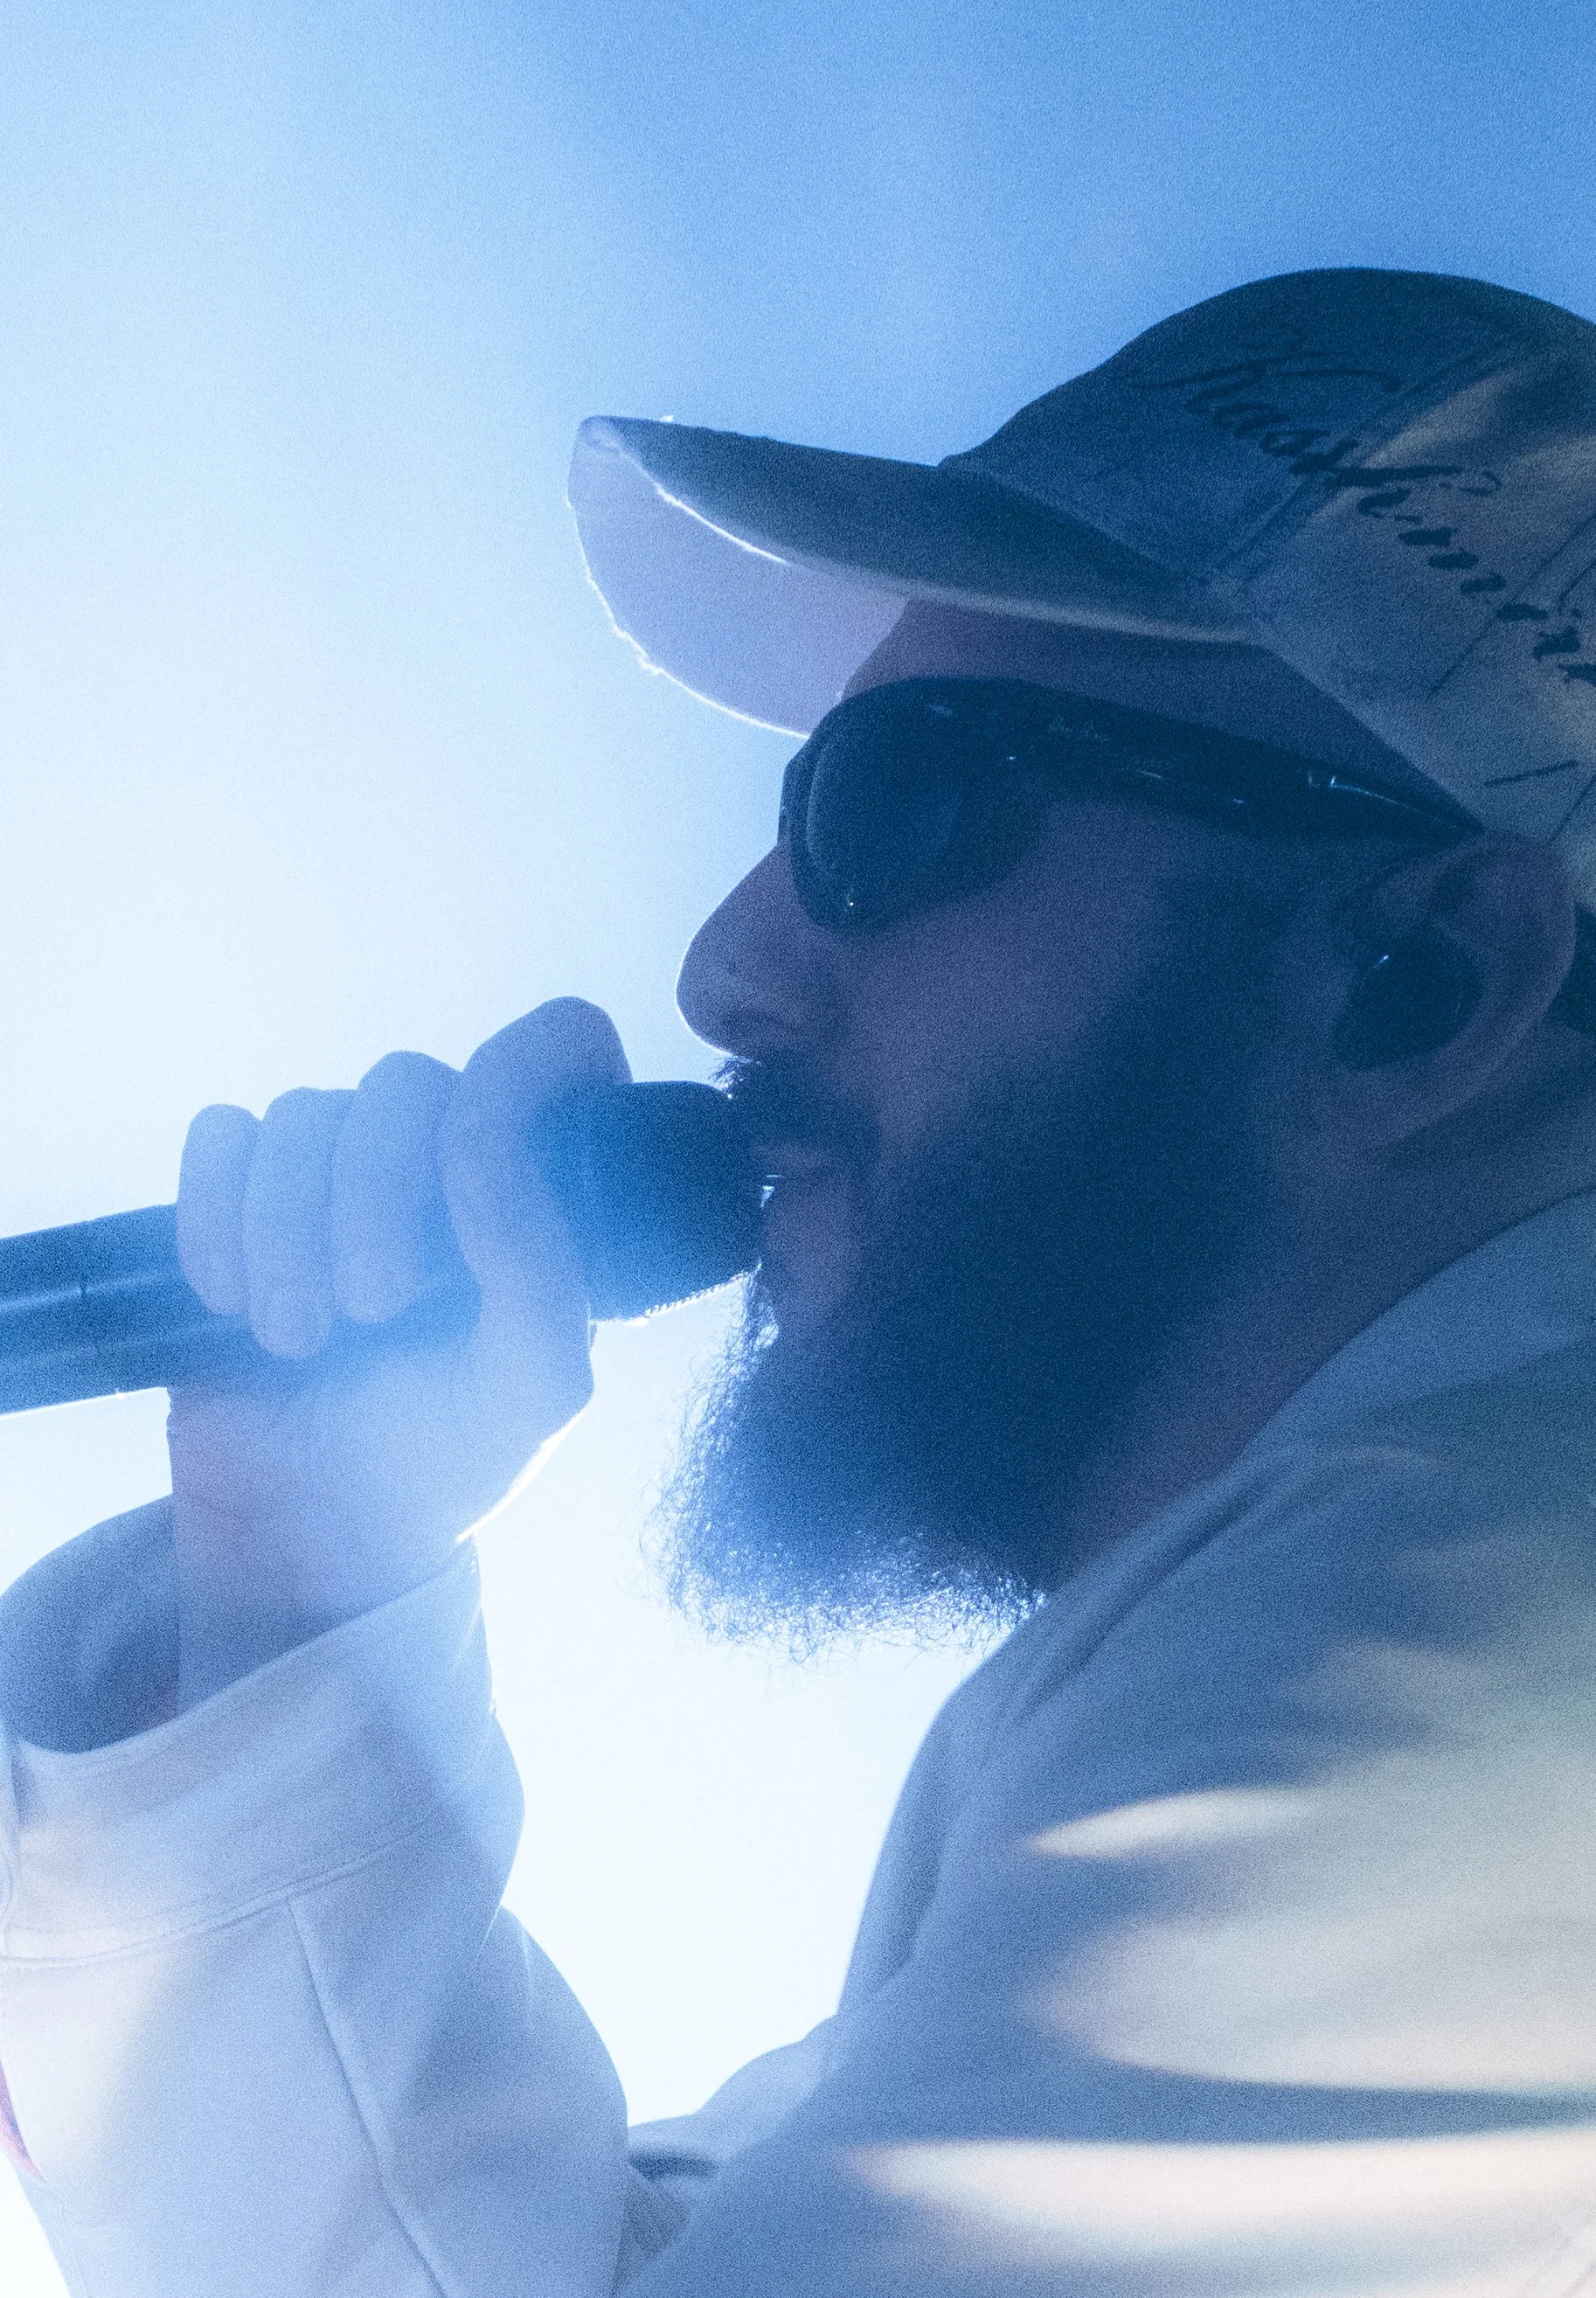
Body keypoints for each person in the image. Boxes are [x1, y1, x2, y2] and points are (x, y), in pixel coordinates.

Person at [3, 265, 1596, 2295]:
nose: (724, 968)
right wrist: (286, 1588)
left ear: (1419, 984)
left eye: (902, 799)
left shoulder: (1467, 1650)